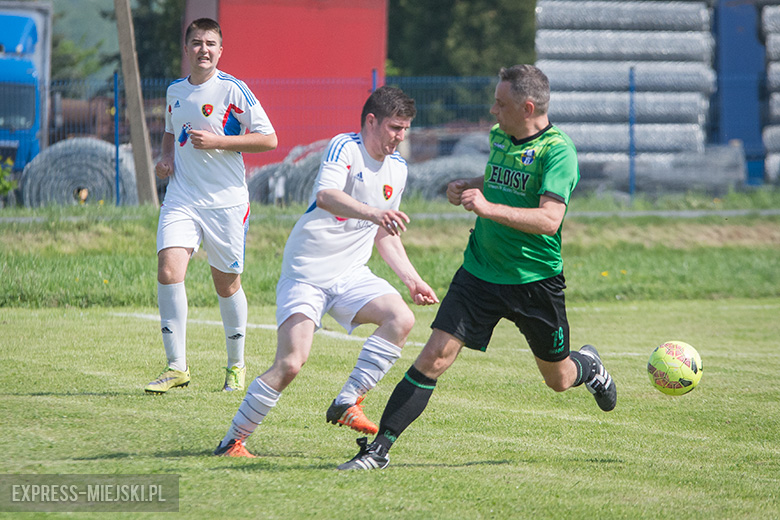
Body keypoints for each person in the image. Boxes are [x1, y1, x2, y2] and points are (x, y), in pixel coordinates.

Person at [337, 65, 617, 471]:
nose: (492, 110)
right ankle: (378, 450)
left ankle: (588, 366)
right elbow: (500, 179)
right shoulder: (501, 136)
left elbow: (549, 220)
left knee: (557, 379)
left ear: (527, 106)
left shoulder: (559, 152)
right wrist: (469, 184)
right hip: (479, 274)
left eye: (500, 104)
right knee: (433, 356)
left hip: (533, 282)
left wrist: (487, 207)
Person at [213, 85, 439, 458]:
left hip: (351, 274)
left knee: (400, 318)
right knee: (290, 363)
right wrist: (373, 212)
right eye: (395, 128)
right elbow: (326, 195)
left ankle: (347, 401)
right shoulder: (345, 146)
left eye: (405, 129)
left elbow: (385, 232)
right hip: (306, 273)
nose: (401, 137)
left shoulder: (398, 169)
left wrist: (412, 279)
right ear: (371, 121)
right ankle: (232, 441)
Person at [144, 18, 278, 394]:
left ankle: (236, 365)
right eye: (197, 42)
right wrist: (165, 159)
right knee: (169, 270)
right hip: (182, 197)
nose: (204, 49)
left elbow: (269, 140)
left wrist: (219, 141)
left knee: (227, 284)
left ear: (220, 51)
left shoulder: (233, 90)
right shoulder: (175, 91)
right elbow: (171, 132)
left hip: (227, 203)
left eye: (211, 44)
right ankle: (176, 368)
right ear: (186, 48)